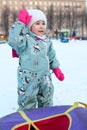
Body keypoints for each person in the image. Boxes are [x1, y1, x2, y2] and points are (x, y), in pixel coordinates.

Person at [8, 9, 65, 111]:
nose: (41, 26)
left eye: (43, 23)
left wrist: (56, 68)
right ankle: (26, 122)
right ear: (29, 26)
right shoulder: (25, 40)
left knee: (46, 101)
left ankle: (45, 120)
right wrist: (20, 24)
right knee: (27, 103)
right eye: (37, 23)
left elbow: (51, 56)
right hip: (29, 79)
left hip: (45, 77)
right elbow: (14, 41)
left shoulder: (46, 41)